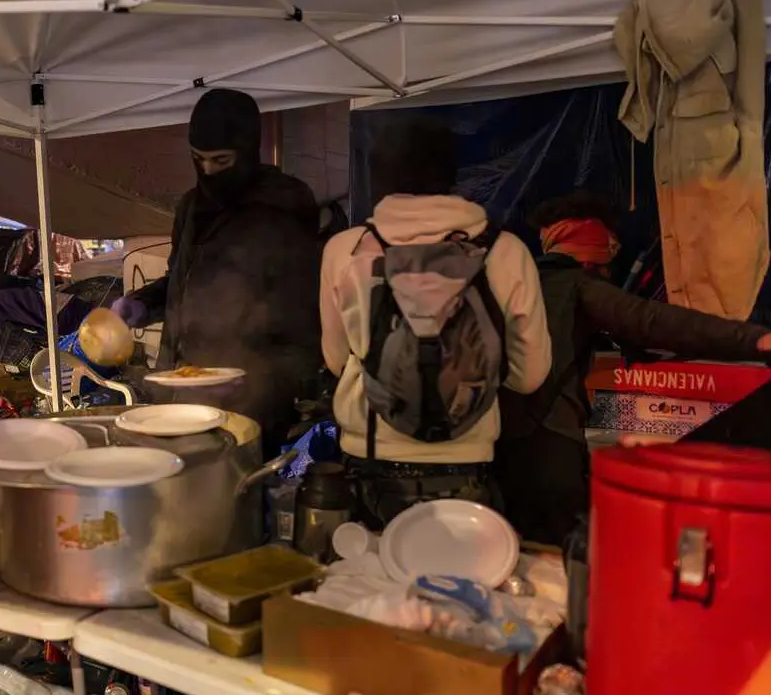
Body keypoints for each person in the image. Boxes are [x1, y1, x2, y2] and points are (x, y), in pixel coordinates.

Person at [495, 190, 771, 546]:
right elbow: (653, 321)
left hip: (497, 450)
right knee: (567, 566)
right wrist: (755, 340)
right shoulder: (578, 286)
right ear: (598, 253)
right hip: (549, 455)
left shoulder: (514, 285)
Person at [320, 117, 552, 529]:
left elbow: (337, 361)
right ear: (450, 174)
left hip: (370, 456)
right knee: (459, 588)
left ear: (378, 175)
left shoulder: (346, 248)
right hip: (467, 461)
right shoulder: (503, 249)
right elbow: (529, 376)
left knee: (365, 586)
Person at [112, 88, 322, 455]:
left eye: (221, 161)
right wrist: (142, 305)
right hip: (181, 386)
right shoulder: (192, 207)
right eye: (199, 159)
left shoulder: (282, 207)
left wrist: (258, 381)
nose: (208, 171)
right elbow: (180, 280)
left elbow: (305, 323)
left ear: (248, 152)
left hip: (254, 401)